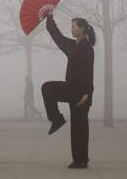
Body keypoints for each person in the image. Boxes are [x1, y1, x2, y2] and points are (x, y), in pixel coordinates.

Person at [41, 13, 95, 169]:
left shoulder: (87, 48)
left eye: (74, 26)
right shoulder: (73, 46)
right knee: (47, 88)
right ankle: (57, 119)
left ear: (82, 28)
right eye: (71, 26)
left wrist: (87, 93)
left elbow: (88, 71)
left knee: (80, 126)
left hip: (82, 93)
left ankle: (81, 160)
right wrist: (50, 20)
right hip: (72, 89)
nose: (71, 29)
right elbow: (58, 37)